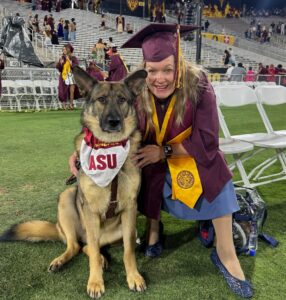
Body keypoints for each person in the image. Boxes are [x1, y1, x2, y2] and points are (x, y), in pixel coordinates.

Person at [68, 24, 253, 298]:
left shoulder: (199, 85)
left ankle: (225, 253)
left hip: (193, 157)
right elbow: (118, 131)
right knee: (141, 171)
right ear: (145, 70)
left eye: (167, 69)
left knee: (217, 175)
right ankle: (153, 230)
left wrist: (164, 151)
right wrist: (85, 148)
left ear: (178, 64)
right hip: (156, 164)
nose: (160, 78)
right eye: (152, 71)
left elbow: (207, 141)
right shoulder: (137, 92)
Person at [56, 43, 80, 110]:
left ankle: (71, 104)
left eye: (65, 49)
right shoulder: (62, 58)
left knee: (72, 90)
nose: (63, 50)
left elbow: (76, 66)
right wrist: (60, 63)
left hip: (71, 75)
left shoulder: (73, 58)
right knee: (63, 90)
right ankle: (64, 105)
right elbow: (59, 68)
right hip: (64, 76)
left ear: (68, 50)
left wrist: (69, 61)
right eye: (63, 49)